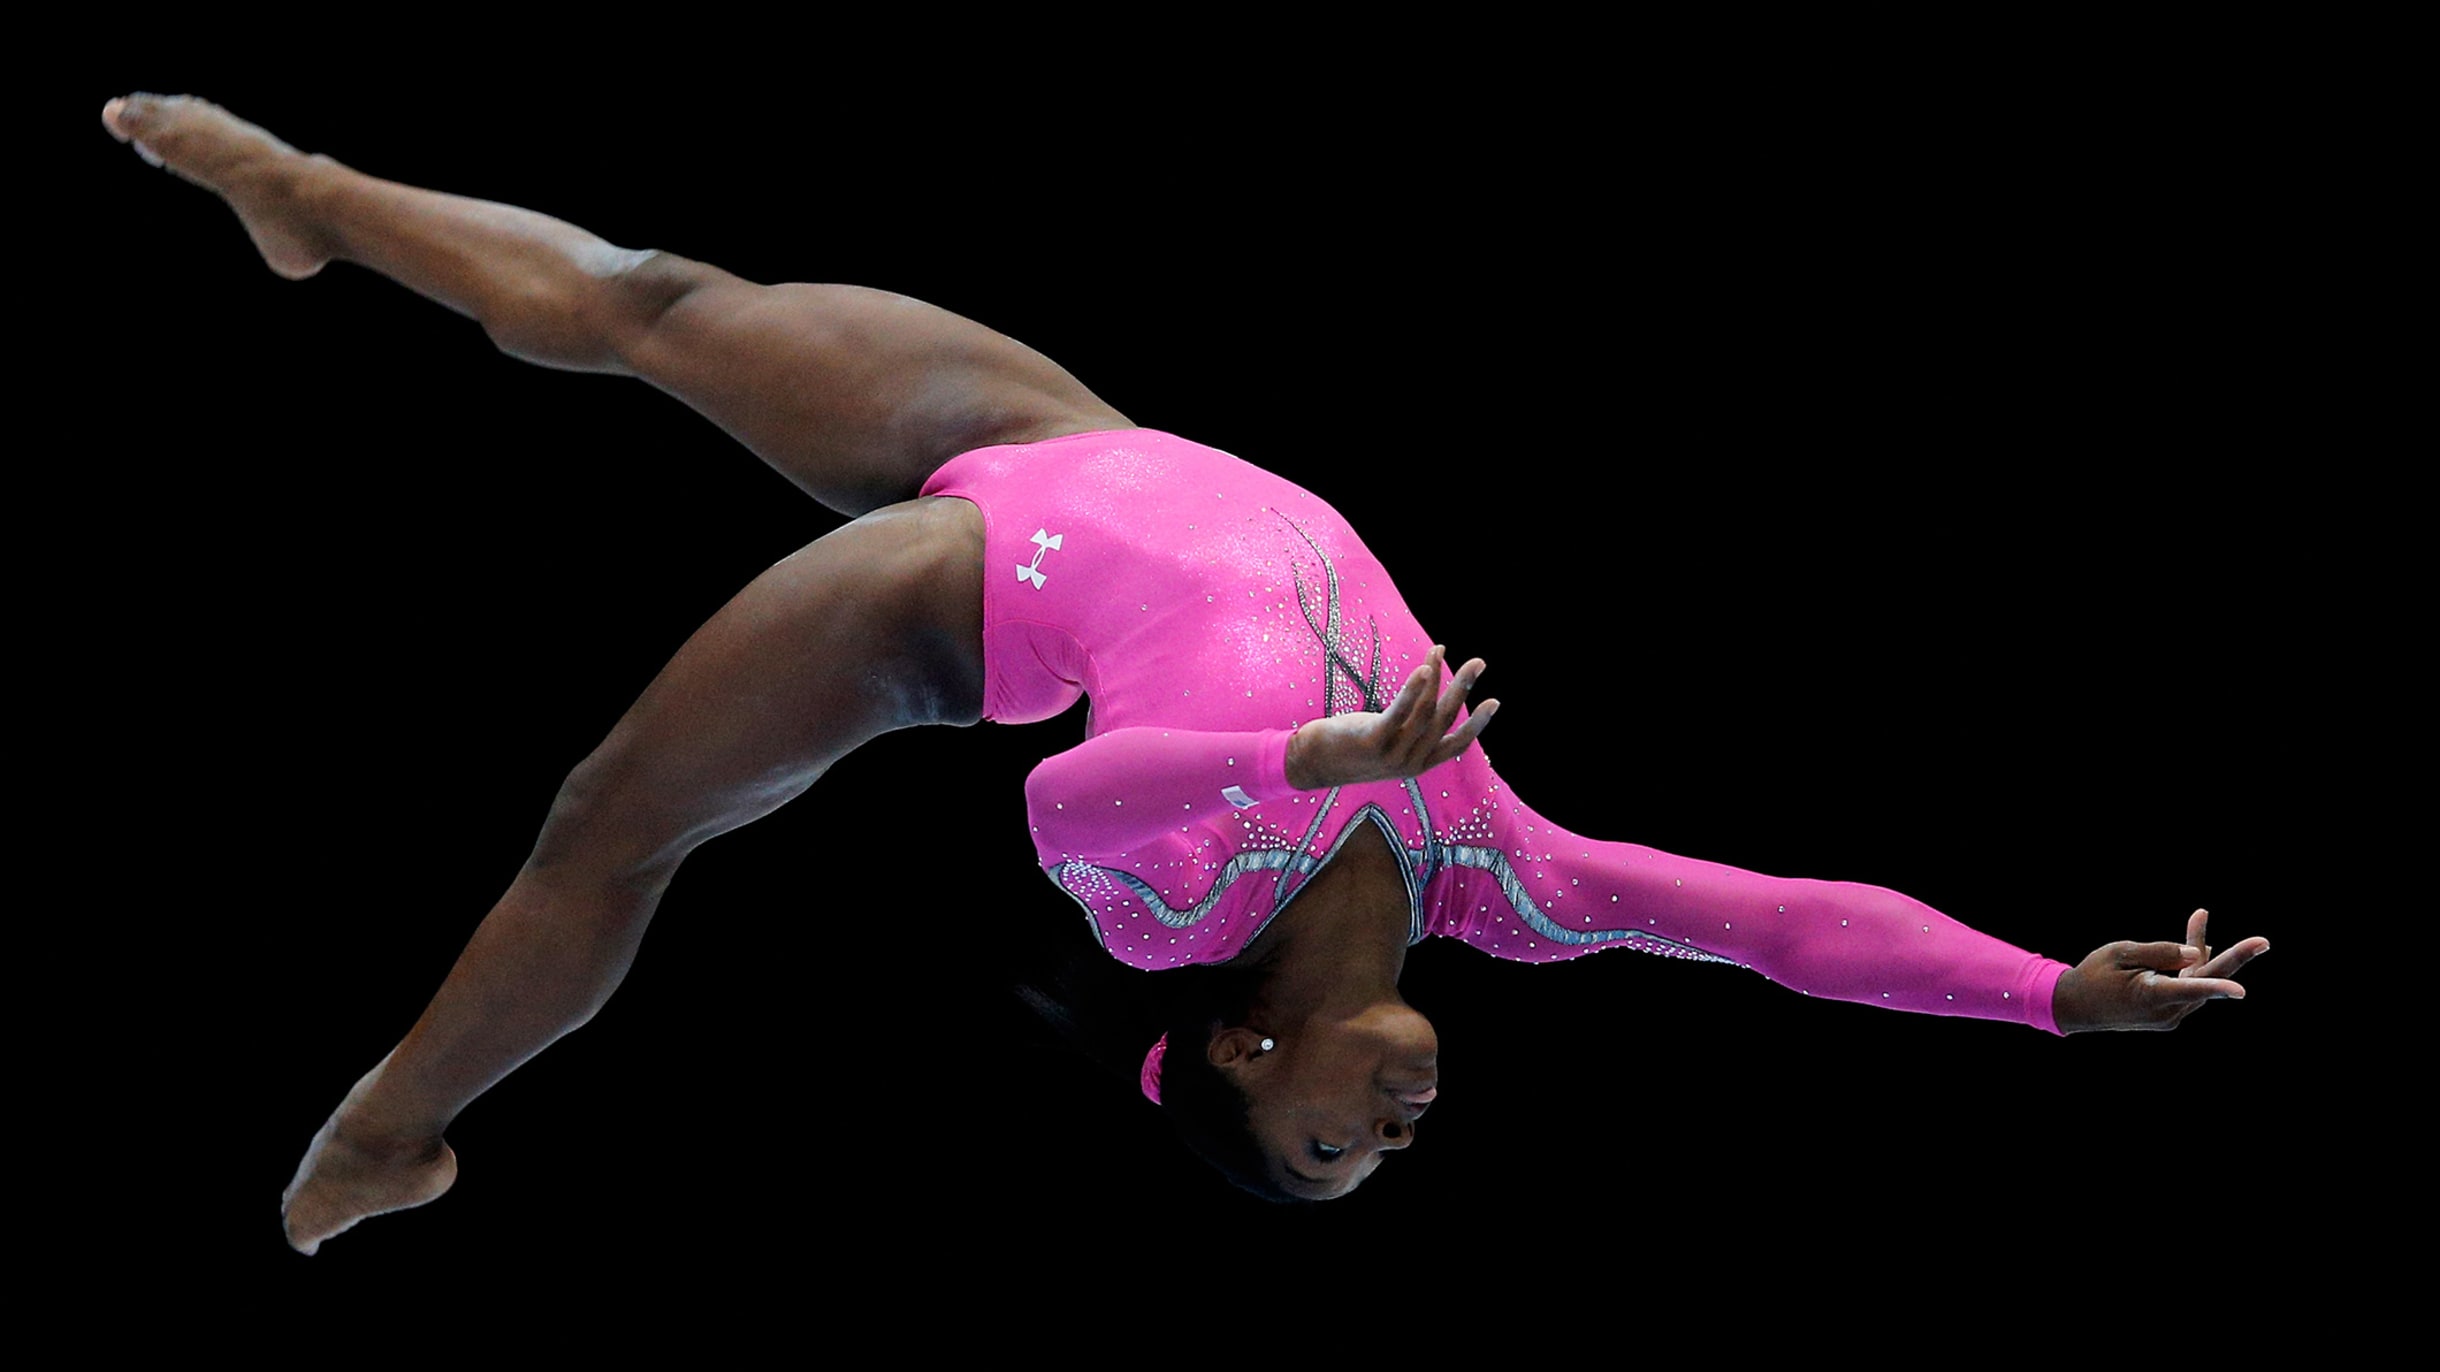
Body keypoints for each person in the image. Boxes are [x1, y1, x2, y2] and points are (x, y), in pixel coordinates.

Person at [98, 93, 2267, 1252]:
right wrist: (2045, 996)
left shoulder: (1176, 914)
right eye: (1376, 1155)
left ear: (1244, 1054)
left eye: (1328, 1149)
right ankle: (306, 193)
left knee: (612, 820)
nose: (1391, 1134)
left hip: (961, 589)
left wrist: (1317, 752)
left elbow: (1069, 795)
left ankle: (387, 1128)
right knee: (656, 300)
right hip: (1086, 442)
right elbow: (1783, 927)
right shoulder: (1503, 882)